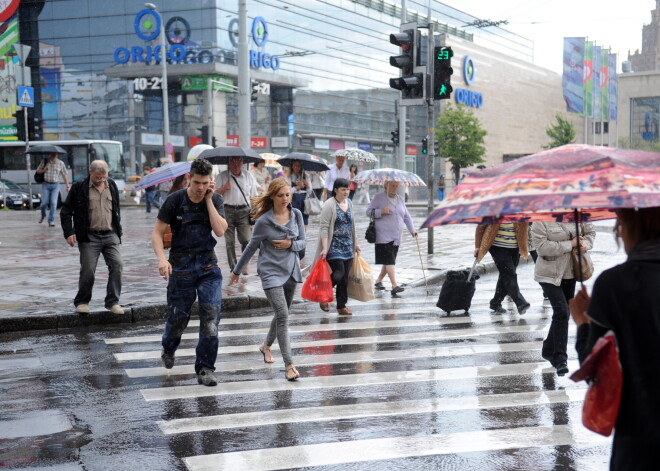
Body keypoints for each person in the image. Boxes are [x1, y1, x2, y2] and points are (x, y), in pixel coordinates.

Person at [569, 207, 659, 470]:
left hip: (641, 439)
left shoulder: (616, 284)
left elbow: (594, 366)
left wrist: (584, 322)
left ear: (634, 227)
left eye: (620, 225)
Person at [152, 158, 228, 387]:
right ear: (189, 178)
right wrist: (161, 260)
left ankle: (205, 368)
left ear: (210, 181)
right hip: (181, 266)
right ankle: (168, 347)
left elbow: (220, 231)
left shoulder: (214, 199)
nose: (200, 187)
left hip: (208, 266)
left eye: (205, 183)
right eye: (196, 182)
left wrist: (208, 201)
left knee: (211, 317)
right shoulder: (174, 200)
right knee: (177, 319)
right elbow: (157, 233)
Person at [229, 177, 305, 381]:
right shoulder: (263, 221)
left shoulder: (296, 214)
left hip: (290, 270)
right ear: (272, 196)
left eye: (288, 195)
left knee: (282, 314)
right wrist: (236, 271)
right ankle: (289, 364)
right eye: (280, 195)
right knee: (282, 314)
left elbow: (303, 243)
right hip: (270, 272)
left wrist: (291, 245)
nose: (285, 199)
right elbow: (251, 247)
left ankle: (266, 346)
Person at [532, 221, 595, 376]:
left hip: (571, 272)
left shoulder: (577, 213)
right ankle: (560, 358)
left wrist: (584, 244)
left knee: (564, 313)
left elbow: (590, 233)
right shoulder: (540, 220)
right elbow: (541, 247)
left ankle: (548, 348)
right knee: (561, 311)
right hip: (548, 274)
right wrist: (570, 243)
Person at [60, 160, 123, 315]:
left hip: (110, 234)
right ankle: (82, 301)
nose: (101, 180)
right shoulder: (79, 187)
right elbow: (66, 211)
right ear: (90, 172)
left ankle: (112, 302)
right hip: (89, 236)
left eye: (104, 177)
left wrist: (117, 230)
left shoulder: (112, 185)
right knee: (88, 270)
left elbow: (116, 209)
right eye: (97, 177)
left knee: (117, 265)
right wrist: (69, 232)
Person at [313, 178, 360, 314]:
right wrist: (324, 248)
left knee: (345, 278)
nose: (346, 192)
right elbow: (324, 227)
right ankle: (324, 296)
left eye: (347, 189)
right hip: (334, 246)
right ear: (335, 190)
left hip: (348, 245)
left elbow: (353, 225)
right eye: (343, 189)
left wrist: (356, 243)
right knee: (338, 274)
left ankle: (341, 305)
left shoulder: (349, 203)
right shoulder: (329, 204)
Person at [366, 181, 417, 295]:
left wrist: (412, 230)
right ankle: (394, 285)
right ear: (386, 186)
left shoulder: (400, 199)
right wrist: (381, 211)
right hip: (383, 235)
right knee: (390, 260)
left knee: (389, 260)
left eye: (396, 186)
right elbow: (368, 212)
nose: (394, 188)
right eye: (392, 185)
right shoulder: (379, 197)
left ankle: (378, 281)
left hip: (396, 236)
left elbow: (407, 217)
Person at [474, 222, 531, 315]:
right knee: (510, 274)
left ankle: (495, 302)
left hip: (515, 247)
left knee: (505, 275)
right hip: (497, 246)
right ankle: (520, 302)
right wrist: (477, 246)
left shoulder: (520, 210)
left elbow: (529, 223)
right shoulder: (495, 210)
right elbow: (481, 226)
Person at [215, 156, 259, 274]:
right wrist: (224, 188)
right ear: (228, 163)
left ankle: (244, 264)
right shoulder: (222, 176)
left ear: (242, 163)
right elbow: (213, 194)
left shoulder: (248, 176)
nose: (235, 165)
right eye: (232, 162)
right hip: (226, 210)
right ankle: (234, 268)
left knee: (246, 239)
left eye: (237, 162)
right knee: (229, 242)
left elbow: (254, 195)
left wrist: (255, 212)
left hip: (244, 211)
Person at [36, 152, 70, 226]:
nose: (54, 155)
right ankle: (43, 215)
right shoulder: (45, 162)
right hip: (46, 184)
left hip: (55, 185)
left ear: (57, 155)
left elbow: (64, 174)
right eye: (52, 154)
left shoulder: (61, 163)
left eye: (55, 154)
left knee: (53, 203)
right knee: (44, 203)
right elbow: (38, 171)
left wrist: (67, 185)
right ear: (50, 154)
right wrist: (44, 170)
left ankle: (51, 220)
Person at [288, 160, 309, 230]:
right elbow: (288, 191)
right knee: (294, 217)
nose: (297, 168)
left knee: (304, 218)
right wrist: (297, 187)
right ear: (292, 167)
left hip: (304, 200)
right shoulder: (289, 177)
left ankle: (303, 235)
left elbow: (310, 191)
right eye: (295, 166)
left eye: (299, 166)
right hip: (293, 199)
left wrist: (307, 185)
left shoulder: (305, 176)